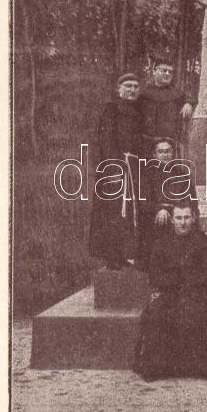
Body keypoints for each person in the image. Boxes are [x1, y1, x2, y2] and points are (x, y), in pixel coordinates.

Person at [134, 202, 207, 380]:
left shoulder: (202, 242)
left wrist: (181, 278)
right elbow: (155, 275)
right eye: (178, 218)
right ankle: (157, 367)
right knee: (157, 313)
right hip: (168, 292)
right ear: (172, 220)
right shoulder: (161, 243)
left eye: (186, 217)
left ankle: (194, 367)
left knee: (197, 311)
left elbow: (206, 273)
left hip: (193, 292)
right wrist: (180, 277)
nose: (183, 222)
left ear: (193, 219)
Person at [89, 72, 142, 269]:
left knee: (127, 213)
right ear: (118, 89)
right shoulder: (111, 109)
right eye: (128, 86)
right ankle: (111, 257)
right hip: (114, 168)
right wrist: (113, 168)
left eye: (136, 86)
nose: (132, 90)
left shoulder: (137, 111)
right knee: (112, 212)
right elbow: (106, 140)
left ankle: (121, 255)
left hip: (132, 167)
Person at [136, 137, 198, 270]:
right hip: (154, 217)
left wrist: (176, 212)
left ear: (173, 153)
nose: (164, 155)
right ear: (154, 154)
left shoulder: (182, 174)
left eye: (168, 151)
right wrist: (160, 209)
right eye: (161, 151)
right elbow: (143, 202)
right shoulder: (147, 175)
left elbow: (191, 199)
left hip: (178, 215)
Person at [139, 56, 194, 155]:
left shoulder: (176, 93)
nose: (167, 74)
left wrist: (188, 103)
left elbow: (190, 98)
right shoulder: (144, 93)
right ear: (154, 71)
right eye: (164, 70)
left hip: (169, 144)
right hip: (146, 143)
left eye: (170, 72)